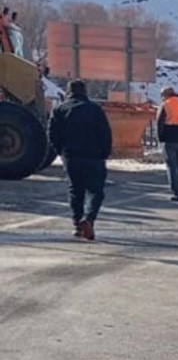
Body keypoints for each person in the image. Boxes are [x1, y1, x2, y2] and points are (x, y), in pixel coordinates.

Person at [49, 80, 112, 240]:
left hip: (71, 156)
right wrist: (104, 153)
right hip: (94, 156)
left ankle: (78, 224)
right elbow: (105, 133)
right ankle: (89, 219)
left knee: (75, 191)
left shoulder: (59, 109)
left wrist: (61, 152)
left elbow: (52, 134)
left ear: (68, 91)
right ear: (85, 92)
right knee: (96, 191)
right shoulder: (95, 109)